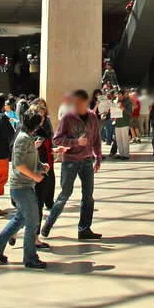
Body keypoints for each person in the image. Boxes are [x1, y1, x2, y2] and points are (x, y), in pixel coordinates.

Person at [0, 111, 55, 269]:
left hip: (25, 186)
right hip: (22, 187)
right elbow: (18, 163)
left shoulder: (28, 138)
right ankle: (30, 258)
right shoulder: (23, 139)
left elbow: (30, 159)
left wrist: (41, 167)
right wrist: (36, 176)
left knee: (21, 219)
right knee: (32, 221)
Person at [43, 90, 103, 240]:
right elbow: (57, 139)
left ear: (85, 103)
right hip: (70, 161)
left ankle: (84, 229)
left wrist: (98, 157)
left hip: (87, 161)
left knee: (88, 196)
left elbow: (96, 138)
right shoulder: (68, 118)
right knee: (64, 194)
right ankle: (47, 225)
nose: (76, 106)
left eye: (79, 103)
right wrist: (75, 142)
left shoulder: (92, 117)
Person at [111, 90, 133, 160]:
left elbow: (130, 113)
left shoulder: (128, 102)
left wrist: (123, 109)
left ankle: (126, 155)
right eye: (118, 95)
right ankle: (121, 154)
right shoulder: (116, 102)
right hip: (117, 123)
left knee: (125, 139)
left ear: (123, 95)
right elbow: (113, 112)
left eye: (120, 95)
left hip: (124, 123)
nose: (119, 97)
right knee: (118, 140)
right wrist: (112, 116)